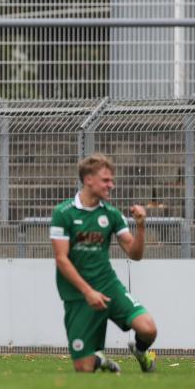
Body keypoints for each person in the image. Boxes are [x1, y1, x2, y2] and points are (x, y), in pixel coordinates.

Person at [50, 154, 159, 373]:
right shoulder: (63, 213)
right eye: (106, 180)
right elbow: (61, 259)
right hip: (78, 294)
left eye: (111, 180)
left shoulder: (111, 214)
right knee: (83, 368)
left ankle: (140, 351)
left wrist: (141, 226)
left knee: (148, 329)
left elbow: (135, 254)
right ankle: (101, 361)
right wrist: (88, 292)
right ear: (89, 179)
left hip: (108, 286)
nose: (112, 185)